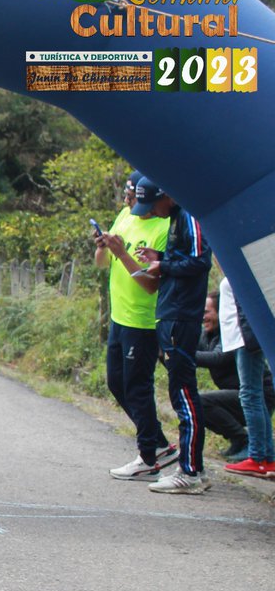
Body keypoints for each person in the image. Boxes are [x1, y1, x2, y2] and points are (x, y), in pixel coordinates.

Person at [94, 170, 178, 480]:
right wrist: (104, 247)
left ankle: (147, 457)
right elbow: (102, 264)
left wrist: (123, 253)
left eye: (137, 202)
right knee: (117, 383)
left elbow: (149, 285)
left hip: (143, 321)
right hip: (119, 316)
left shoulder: (164, 228)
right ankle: (158, 444)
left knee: (138, 388)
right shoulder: (124, 215)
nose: (131, 206)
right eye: (129, 199)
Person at [134, 176, 213, 494]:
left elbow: (199, 261)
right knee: (180, 392)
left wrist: (163, 267)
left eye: (154, 203)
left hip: (182, 317)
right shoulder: (175, 219)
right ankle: (193, 468)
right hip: (171, 314)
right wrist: (160, 258)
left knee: (184, 394)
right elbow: (183, 259)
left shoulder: (190, 216)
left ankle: (191, 472)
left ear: (168, 195)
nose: (152, 210)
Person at [220, 278, 275, 476]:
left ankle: (258, 457)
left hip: (245, 338)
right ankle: (267, 457)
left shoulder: (242, 266)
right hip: (240, 337)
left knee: (250, 395)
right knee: (253, 395)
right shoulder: (231, 265)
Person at [196, 291, 251, 462]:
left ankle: (244, 440)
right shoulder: (206, 335)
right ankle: (237, 440)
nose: (203, 317)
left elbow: (217, 358)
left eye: (207, 312)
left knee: (201, 401)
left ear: (222, 313)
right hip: (236, 396)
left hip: (257, 397)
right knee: (191, 402)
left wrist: (182, 354)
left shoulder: (231, 335)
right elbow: (185, 355)